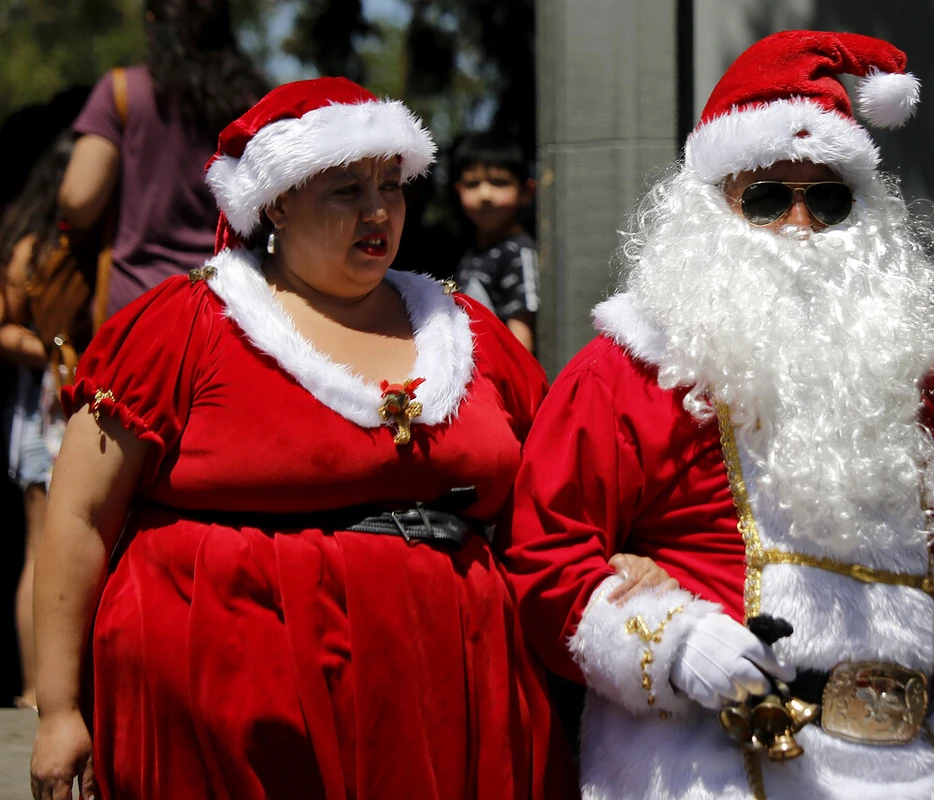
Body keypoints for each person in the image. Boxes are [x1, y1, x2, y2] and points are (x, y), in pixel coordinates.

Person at [504, 30, 934, 800]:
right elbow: (545, 562)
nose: (801, 226)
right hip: (708, 773)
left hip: (912, 773)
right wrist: (673, 644)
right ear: (712, 204)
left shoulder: (922, 386)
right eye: (769, 197)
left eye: (830, 198)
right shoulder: (627, 372)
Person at [30, 76, 595, 800]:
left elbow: (554, 503)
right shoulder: (184, 326)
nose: (377, 209)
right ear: (278, 202)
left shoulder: (468, 331)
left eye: (390, 185)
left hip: (444, 702)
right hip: (227, 715)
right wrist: (59, 710)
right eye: (345, 189)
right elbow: (78, 515)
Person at [57, 0, 266, 320]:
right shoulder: (257, 106)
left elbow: (79, 200)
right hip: (231, 309)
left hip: (136, 310)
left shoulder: (123, 92)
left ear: (153, 20)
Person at [0, 132, 77, 711]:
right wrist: (55, 352)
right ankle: (34, 690)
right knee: (42, 547)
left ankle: (45, 687)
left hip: (60, 399)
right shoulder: (35, 249)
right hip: (49, 402)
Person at [451, 132, 540, 352]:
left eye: (499, 182)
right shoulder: (474, 250)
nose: (485, 194)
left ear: (527, 191)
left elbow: (521, 340)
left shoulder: (519, 252)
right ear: (459, 190)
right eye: (473, 184)